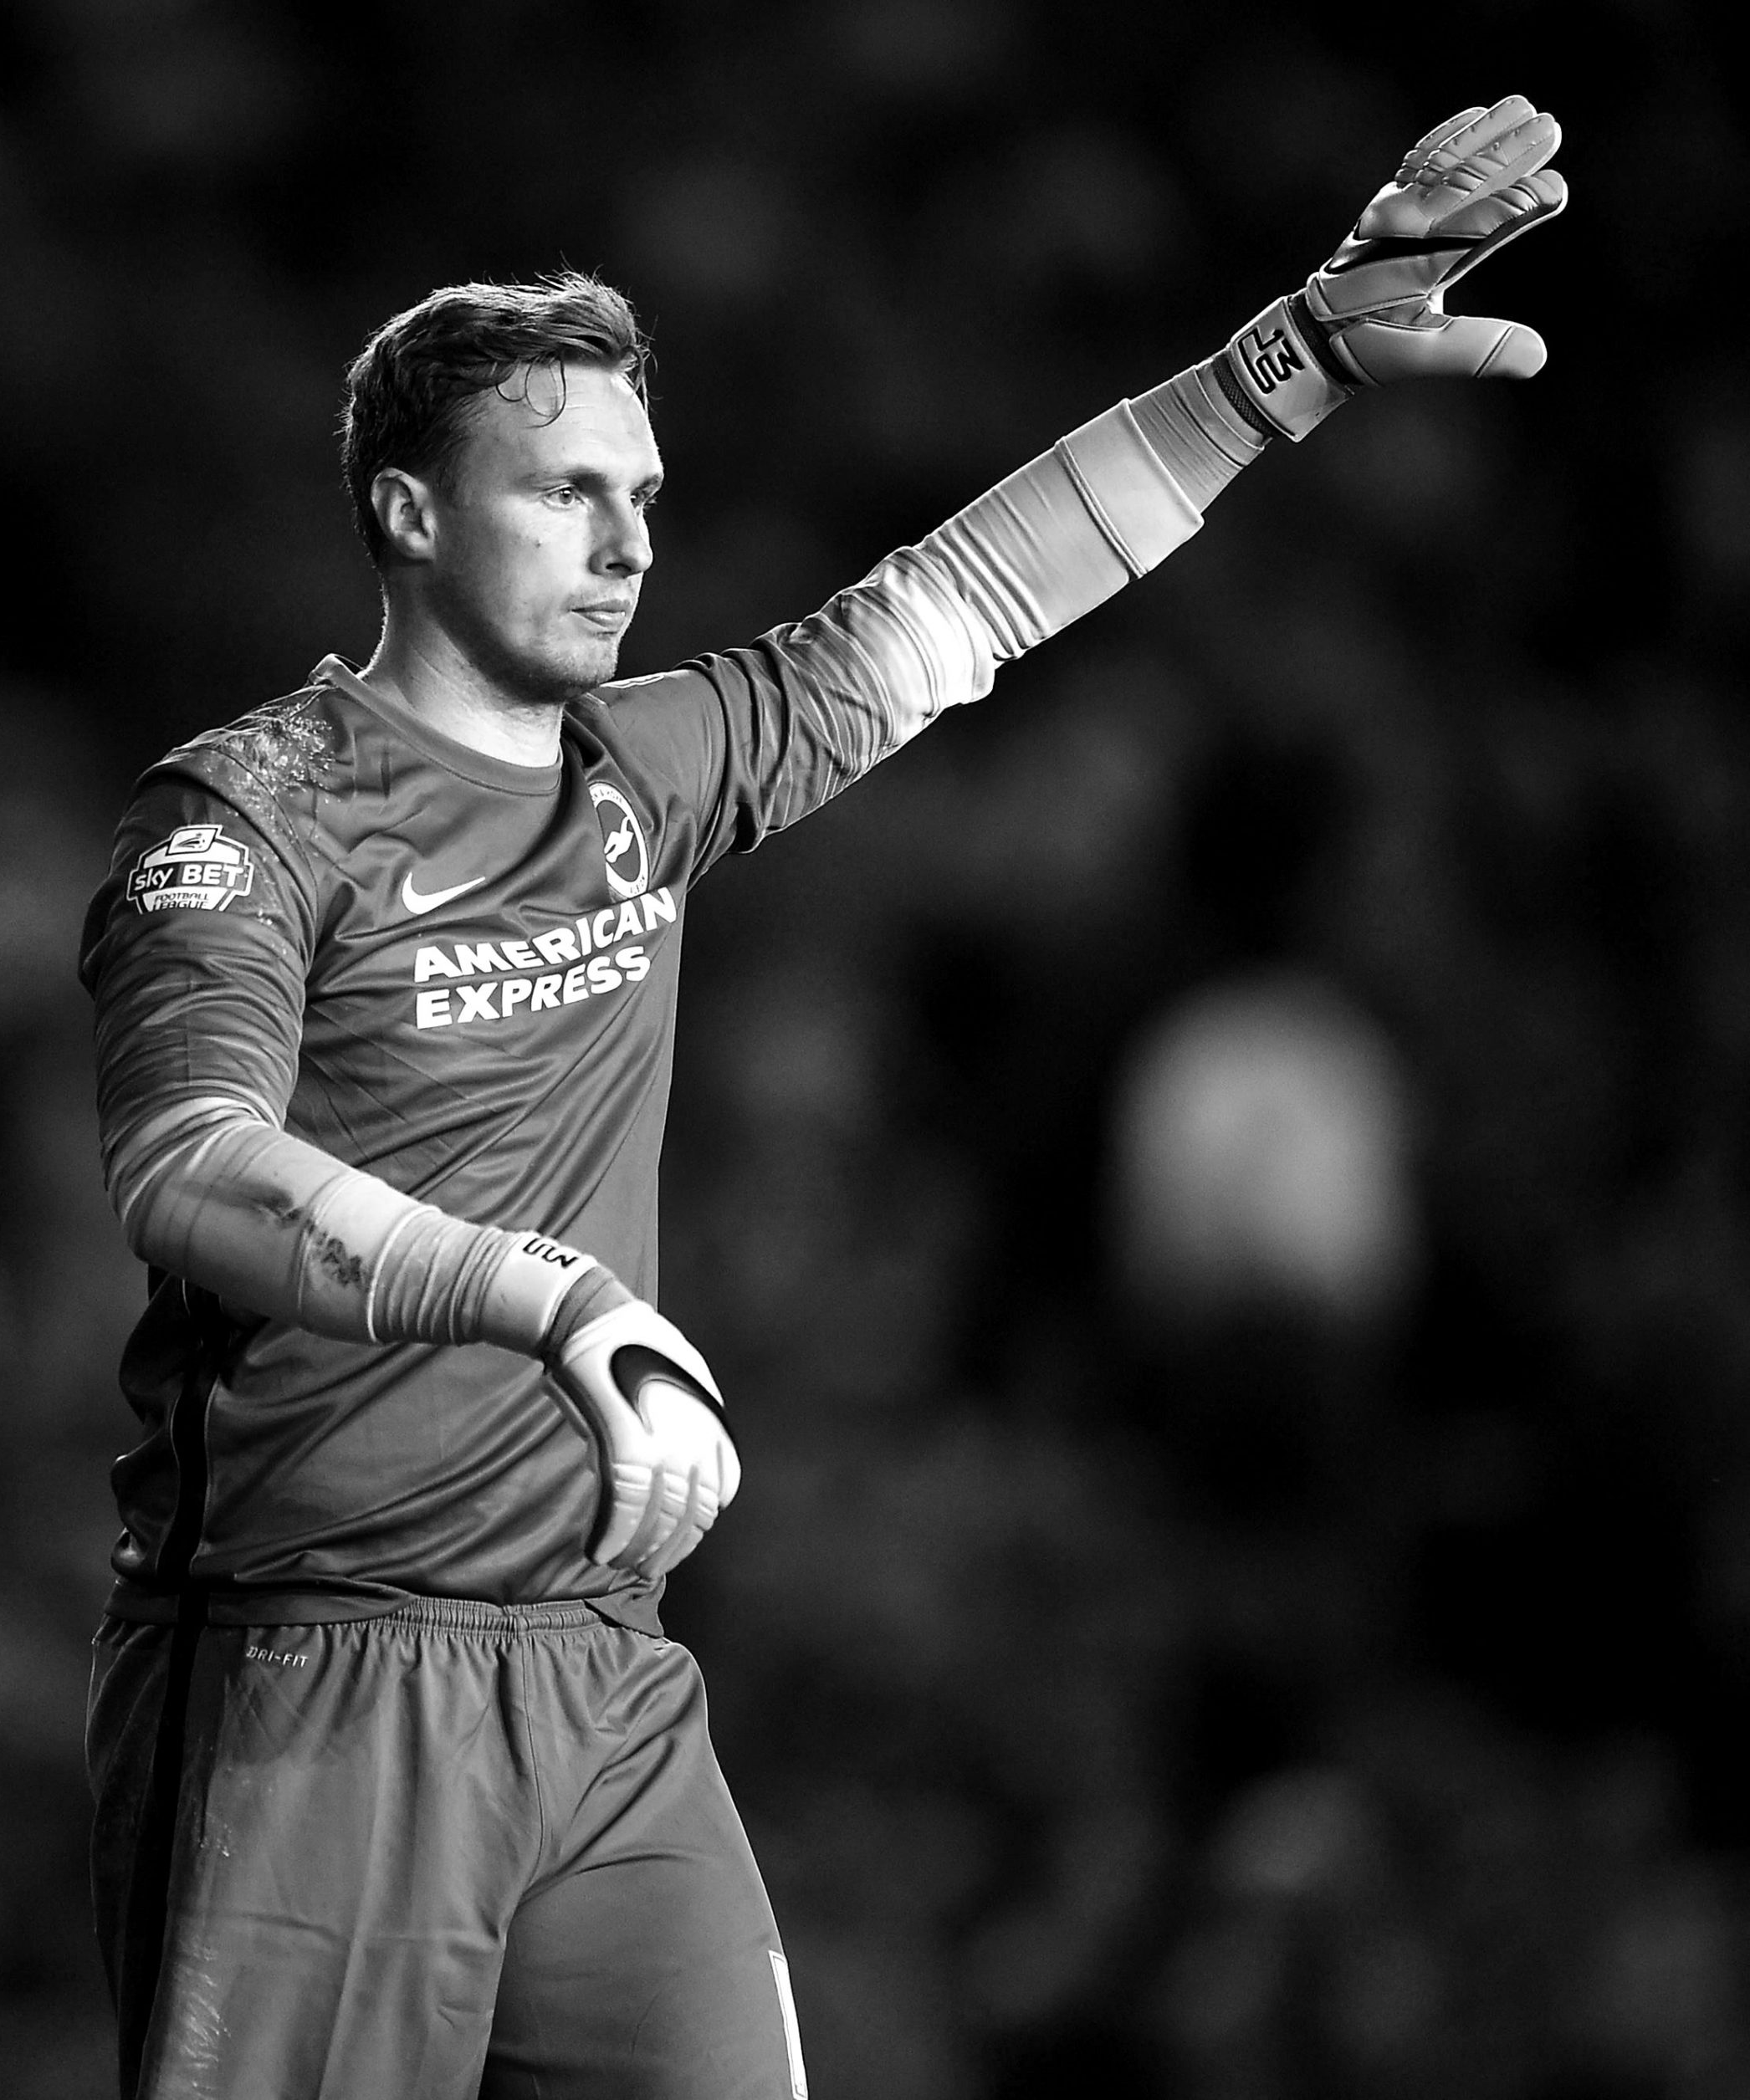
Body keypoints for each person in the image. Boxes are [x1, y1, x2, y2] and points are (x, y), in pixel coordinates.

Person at [79, 96, 1565, 2100]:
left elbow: (955, 604)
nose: (629, 545)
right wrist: (549, 1295)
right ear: (409, 513)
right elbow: (187, 1166)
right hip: (308, 1668)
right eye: (566, 493)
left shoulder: (645, 772)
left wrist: (1285, 357)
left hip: (601, 1670)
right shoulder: (244, 818)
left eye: (646, 493)